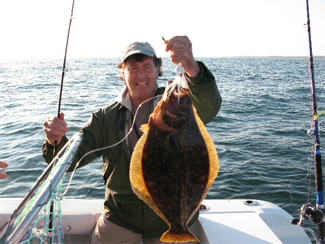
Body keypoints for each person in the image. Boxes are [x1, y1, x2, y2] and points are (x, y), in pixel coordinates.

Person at [42, 35, 222, 243]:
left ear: (157, 70)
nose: (141, 74)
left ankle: (178, 227)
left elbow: (209, 106)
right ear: (123, 73)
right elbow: (68, 161)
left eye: (147, 66)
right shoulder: (105, 118)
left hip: (170, 219)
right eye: (133, 68)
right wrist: (54, 140)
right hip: (122, 218)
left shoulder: (181, 103)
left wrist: (191, 66)